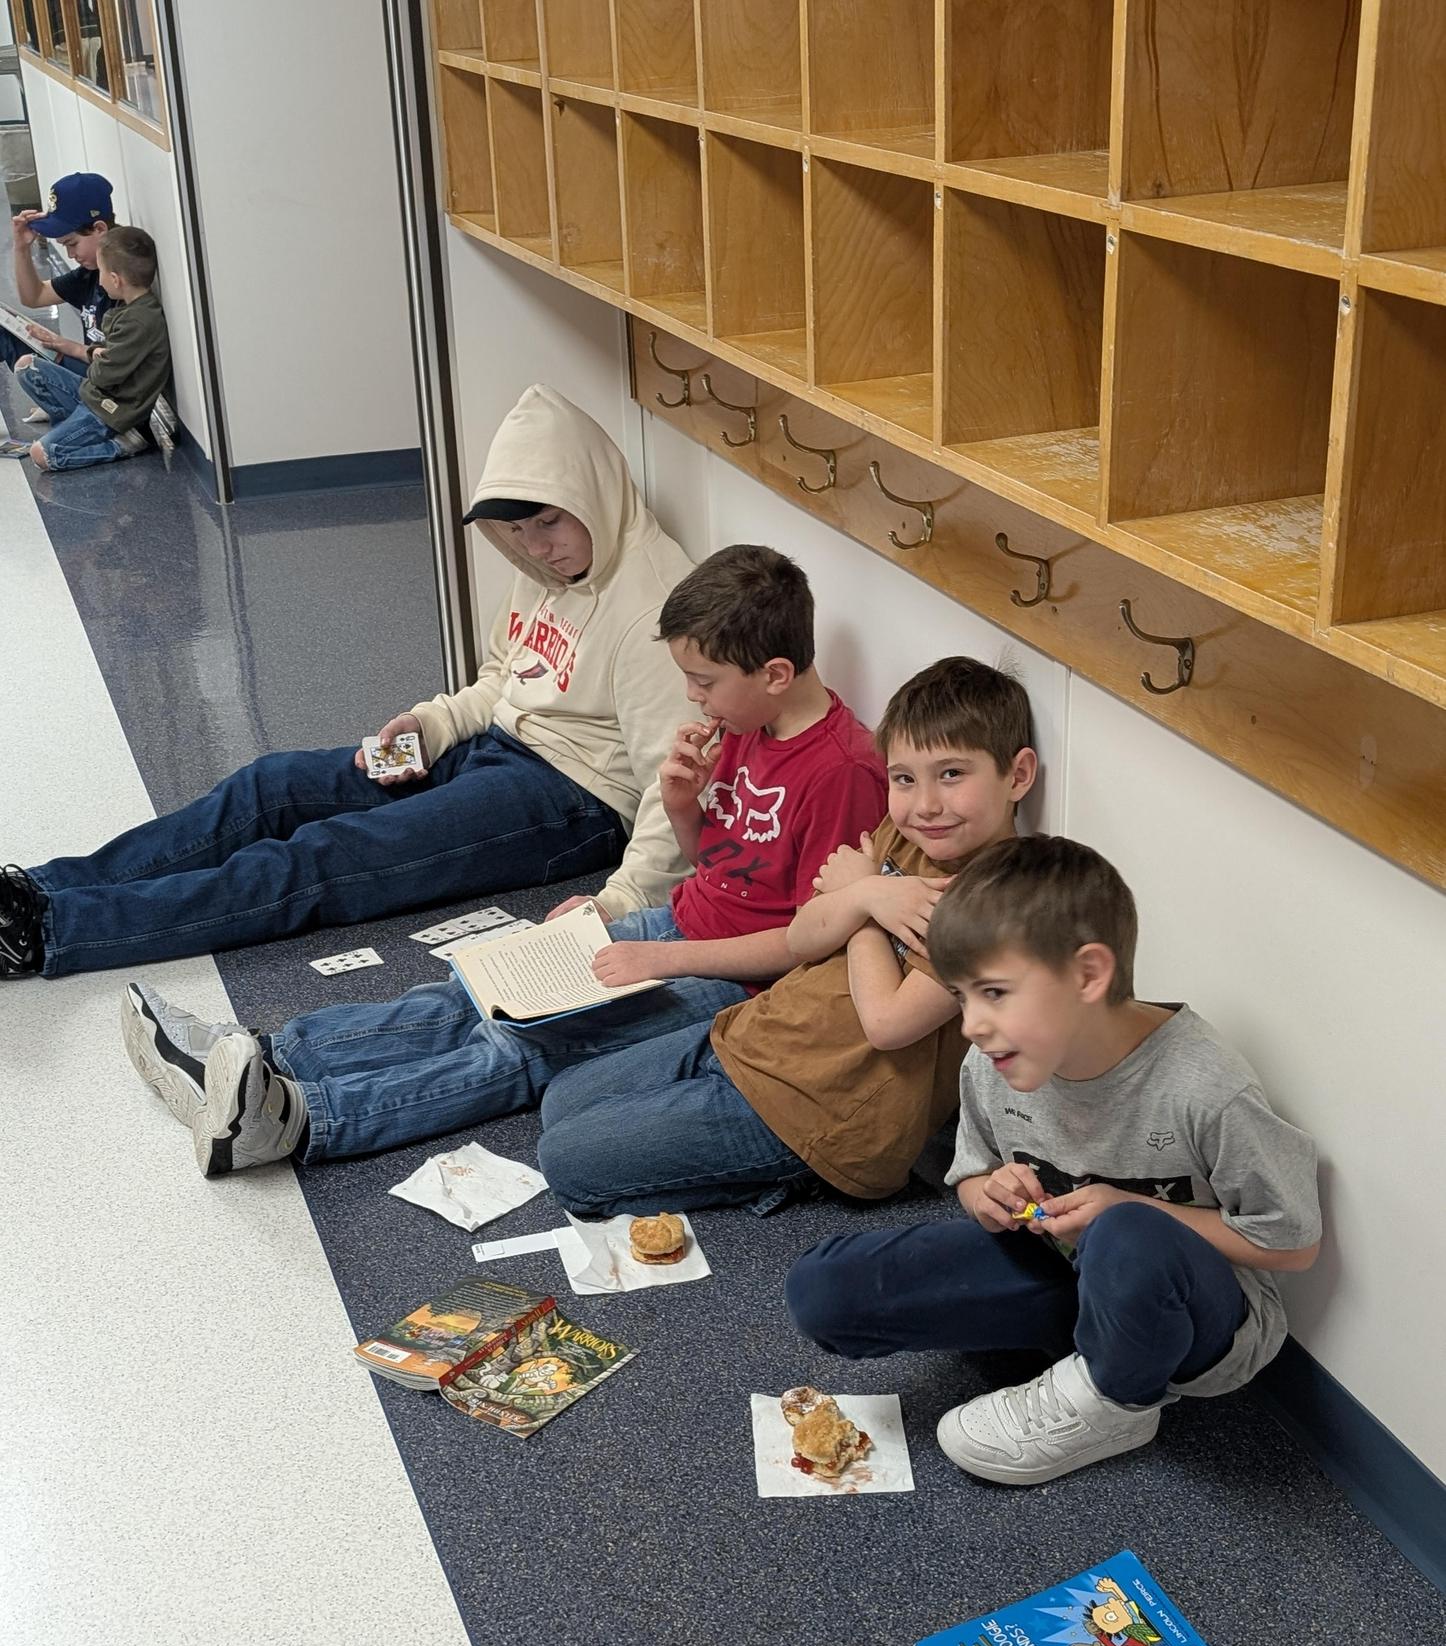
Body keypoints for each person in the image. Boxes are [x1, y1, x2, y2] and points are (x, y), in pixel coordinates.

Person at [120, 547, 889, 1174]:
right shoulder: (748, 723)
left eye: (704, 682)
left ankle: (295, 1120)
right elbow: (720, 866)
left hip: (733, 985)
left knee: (520, 1045)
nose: (693, 700)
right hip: (676, 930)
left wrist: (664, 954)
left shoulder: (844, 770)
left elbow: (805, 943)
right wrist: (684, 804)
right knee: (474, 989)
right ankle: (263, 1054)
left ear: (776, 675)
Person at [0, 386, 696, 981]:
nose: (537, 546)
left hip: (574, 799)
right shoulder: (549, 564)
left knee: (326, 857)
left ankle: (55, 928)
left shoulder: (655, 609)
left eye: (549, 522)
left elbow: (669, 788)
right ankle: (39, 889)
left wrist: (620, 902)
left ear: (595, 492)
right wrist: (432, 724)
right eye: (518, 531)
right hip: (494, 744)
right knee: (269, 785)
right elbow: (506, 679)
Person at [785, 835, 1322, 1486]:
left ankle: (1119, 1399)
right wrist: (987, 1194)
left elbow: (1292, 1245)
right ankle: (1083, 1347)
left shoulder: (1206, 1088)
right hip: (1062, 1273)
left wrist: (1130, 1208)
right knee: (824, 1290)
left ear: (1088, 975)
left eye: (995, 994)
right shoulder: (993, 1061)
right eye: (962, 997)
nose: (973, 1025)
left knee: (1126, 1234)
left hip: (1197, 1323)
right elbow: (971, 1179)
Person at [534, 656, 1039, 1218]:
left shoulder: (996, 905)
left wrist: (864, 896)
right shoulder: (905, 831)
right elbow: (803, 938)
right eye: (904, 778)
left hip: (819, 1116)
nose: (925, 803)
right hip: (756, 1035)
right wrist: (864, 897)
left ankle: (788, 1180)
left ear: (1017, 775)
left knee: (568, 1166)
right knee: (561, 1101)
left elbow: (888, 1024)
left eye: (952, 775)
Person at [4, 225, 170, 472]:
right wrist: (92, 353)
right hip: (97, 396)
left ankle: (120, 445)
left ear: (115, 279)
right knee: (27, 366)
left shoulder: (138, 321)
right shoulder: (127, 310)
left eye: (102, 272)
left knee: (43, 455)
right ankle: (71, 425)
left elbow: (103, 374)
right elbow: (104, 355)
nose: (99, 279)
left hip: (113, 412)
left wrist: (96, 357)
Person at [2, 173, 118, 417]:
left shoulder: (121, 281)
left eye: (71, 244)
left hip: (105, 390)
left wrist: (66, 346)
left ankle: (65, 407)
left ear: (99, 229)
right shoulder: (90, 273)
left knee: (30, 367)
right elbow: (34, 297)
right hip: (87, 368)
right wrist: (22, 247)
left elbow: (116, 364)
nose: (70, 254)